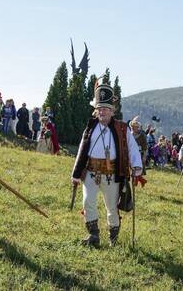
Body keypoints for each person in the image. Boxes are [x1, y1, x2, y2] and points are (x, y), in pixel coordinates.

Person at [71, 78, 143, 247]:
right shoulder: (90, 127)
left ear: (112, 111)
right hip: (91, 172)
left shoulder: (122, 129)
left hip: (112, 175)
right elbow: (82, 149)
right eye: (99, 109)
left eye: (105, 109)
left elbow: (132, 148)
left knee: (111, 207)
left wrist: (136, 166)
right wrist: (75, 173)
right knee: (88, 201)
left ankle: (114, 239)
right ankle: (94, 236)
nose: (102, 112)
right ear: (95, 111)